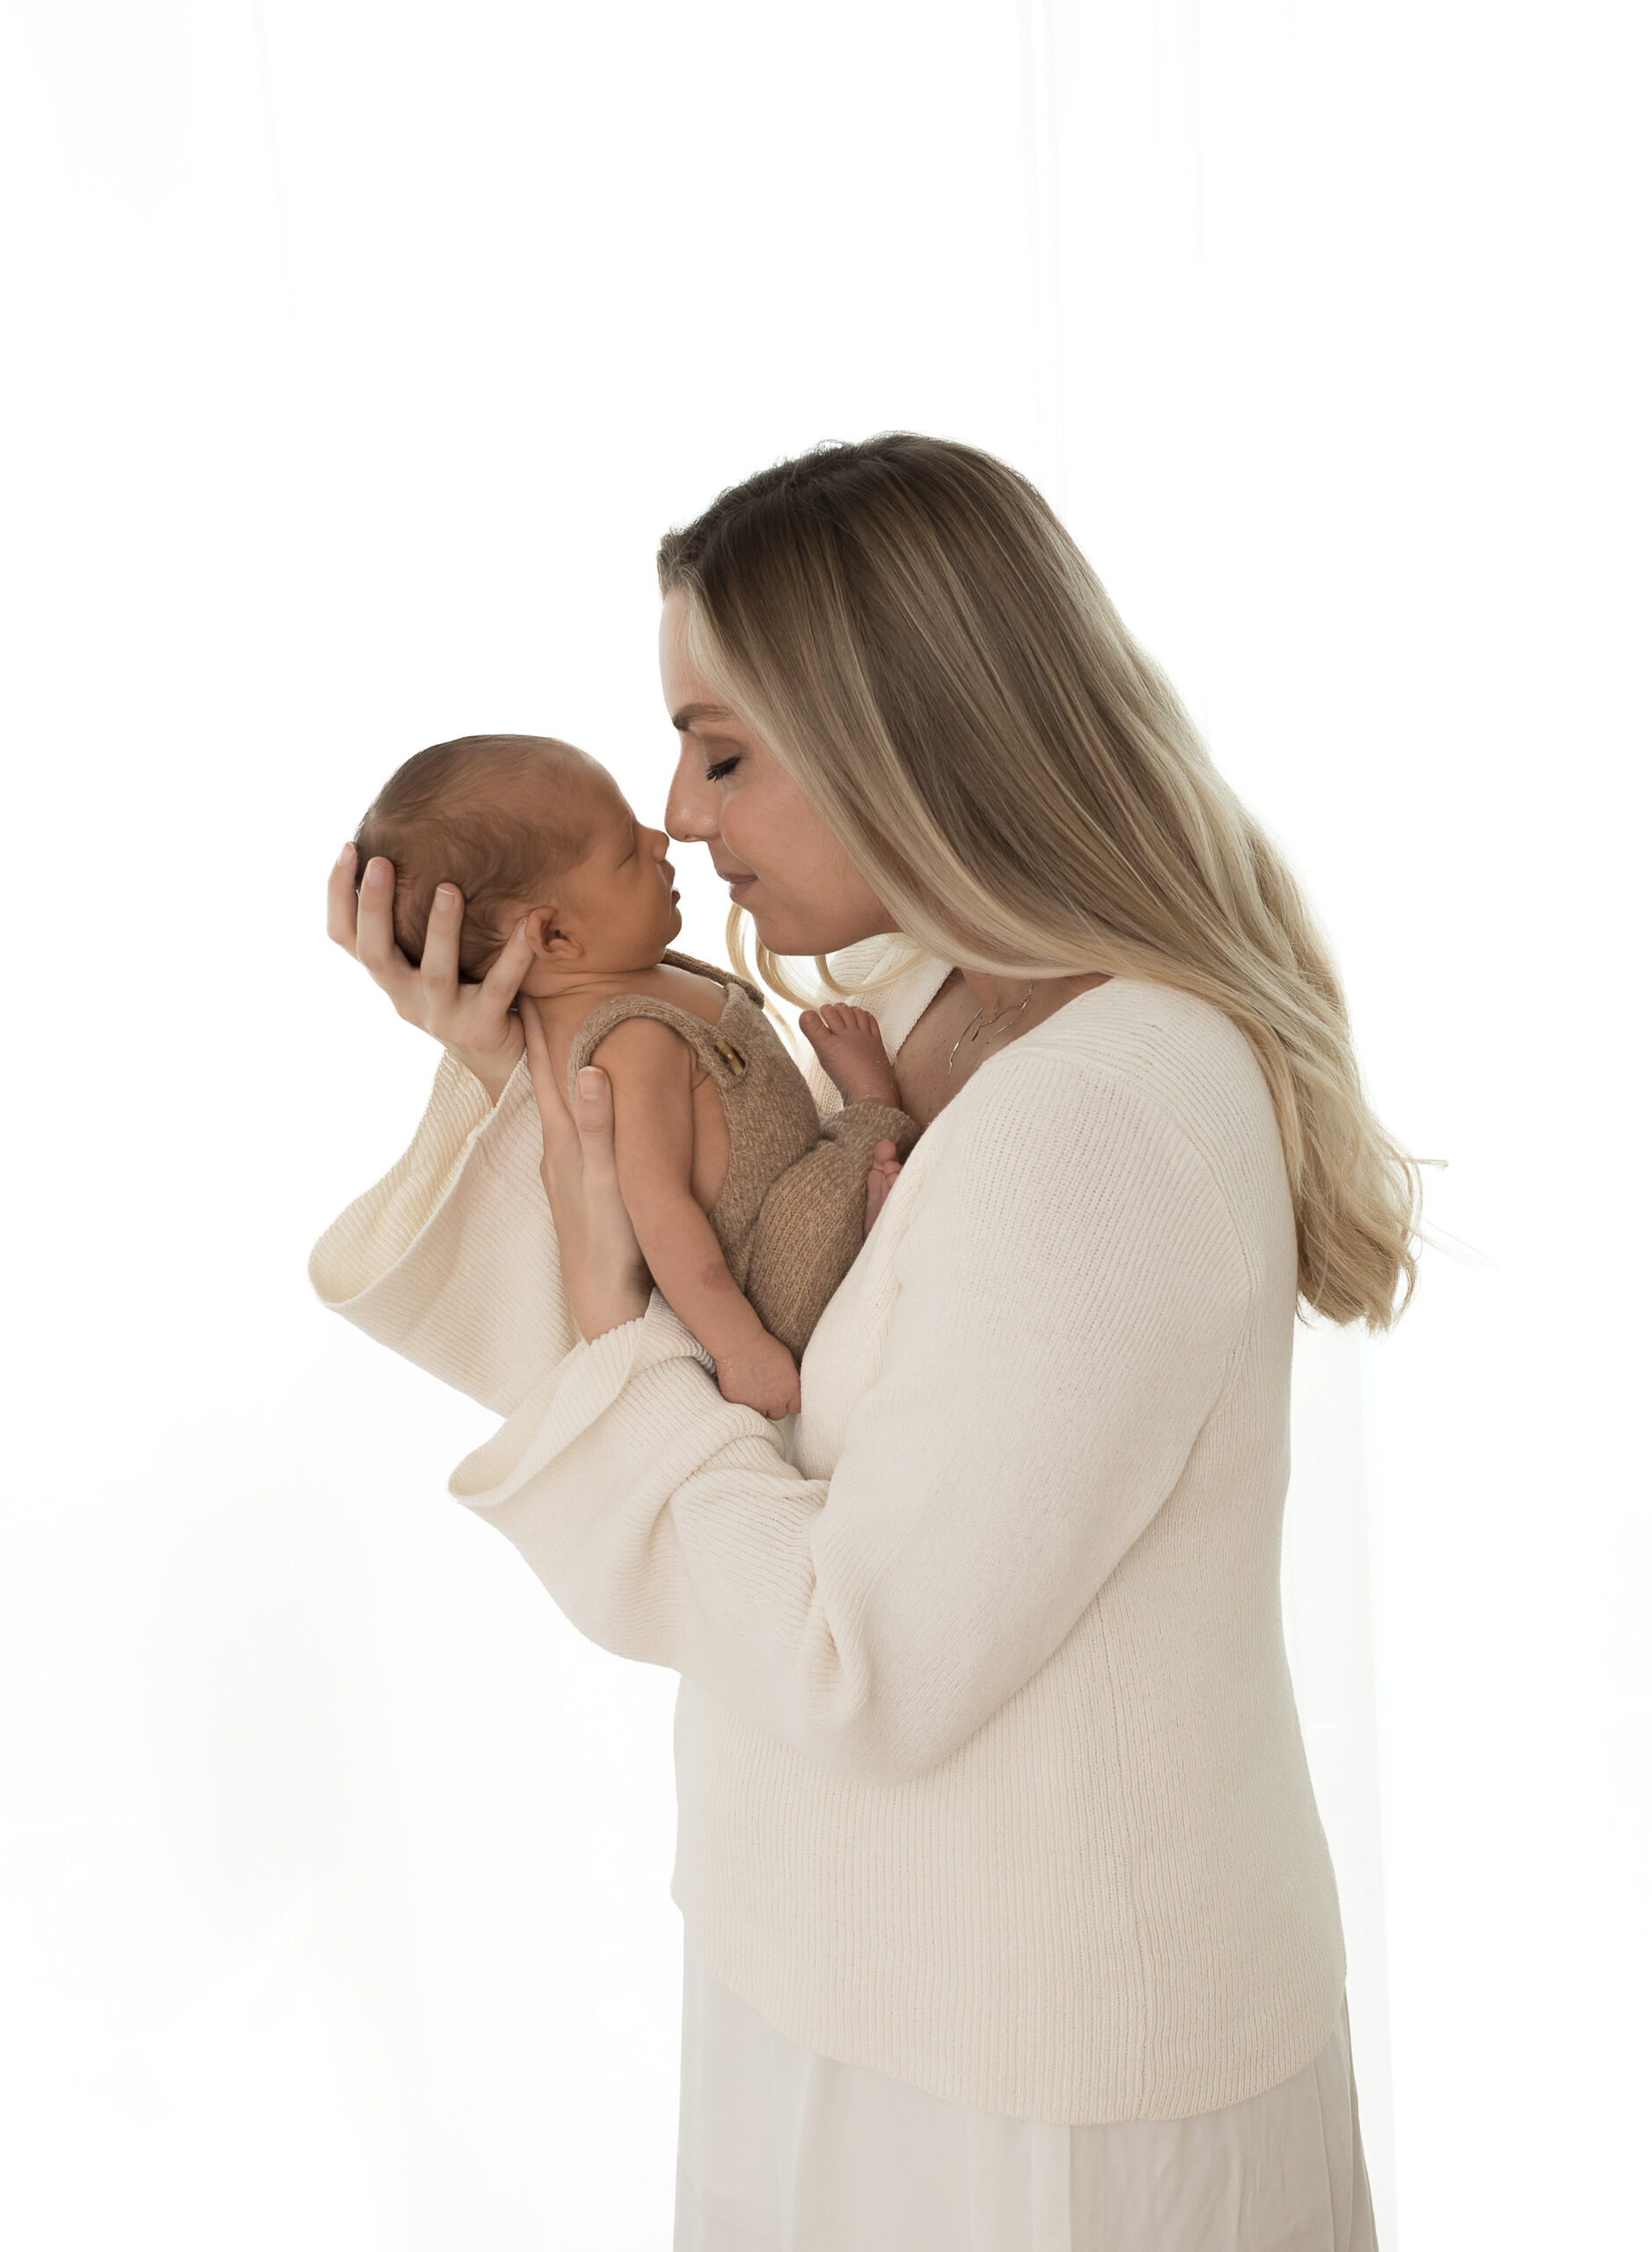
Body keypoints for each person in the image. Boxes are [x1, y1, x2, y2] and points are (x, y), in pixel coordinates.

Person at [313, 433, 1414, 2250]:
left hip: (1031, 2097)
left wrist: (616, 1319)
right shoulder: (928, 1015)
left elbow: (861, 1665)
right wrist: (540, 1042)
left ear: (913, 733)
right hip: (844, 1983)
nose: (673, 812)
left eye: (722, 750)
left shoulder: (1096, 1117)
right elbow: (746, 1364)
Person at [346, 730, 917, 1415]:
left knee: (815, 1186)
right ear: (556, 936)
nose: (660, 838)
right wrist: (739, 1348)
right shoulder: (630, 1041)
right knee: (826, 1188)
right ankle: (871, 1115)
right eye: (625, 849)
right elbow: (660, 1213)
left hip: (785, 1192)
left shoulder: (627, 975)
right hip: (777, 1270)